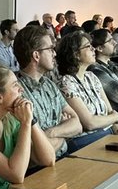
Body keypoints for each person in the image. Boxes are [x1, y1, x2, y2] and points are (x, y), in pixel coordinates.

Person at [13, 25, 82, 158]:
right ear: (36, 55)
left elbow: (77, 124)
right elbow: (36, 153)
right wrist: (63, 133)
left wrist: (50, 133)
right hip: (37, 170)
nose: (55, 53)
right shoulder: (16, 92)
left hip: (63, 158)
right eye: (50, 49)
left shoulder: (49, 84)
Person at [56, 31, 118, 141]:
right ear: (75, 54)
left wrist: (117, 129)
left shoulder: (91, 77)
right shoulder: (66, 83)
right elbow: (89, 123)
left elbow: (110, 111)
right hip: (86, 140)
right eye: (88, 46)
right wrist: (115, 118)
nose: (93, 49)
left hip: (107, 133)